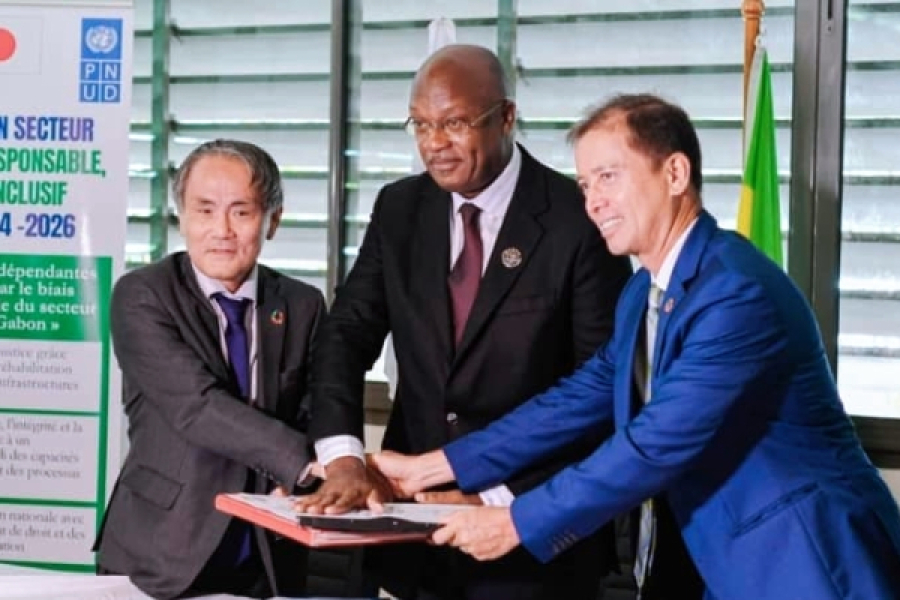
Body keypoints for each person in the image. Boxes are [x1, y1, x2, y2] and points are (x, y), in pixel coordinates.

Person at [370, 93, 900, 600]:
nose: (592, 201)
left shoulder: (736, 292)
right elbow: (578, 398)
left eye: (608, 177)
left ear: (675, 174)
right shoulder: (642, 292)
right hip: (719, 563)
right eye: (584, 184)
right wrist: (436, 466)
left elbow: (654, 444)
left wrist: (516, 523)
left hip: (809, 564)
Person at [298, 44, 632, 600]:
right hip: (410, 534)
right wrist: (343, 457)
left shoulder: (579, 218)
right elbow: (345, 334)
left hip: (531, 543)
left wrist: (493, 499)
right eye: (421, 124)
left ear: (507, 117)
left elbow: (602, 390)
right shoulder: (400, 209)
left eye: (454, 123)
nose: (434, 143)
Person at [94, 139, 325, 599]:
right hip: (161, 552)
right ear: (181, 216)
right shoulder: (142, 295)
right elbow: (196, 406)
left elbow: (317, 406)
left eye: (241, 212)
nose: (222, 230)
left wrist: (325, 470)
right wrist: (308, 465)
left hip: (267, 551)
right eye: (204, 211)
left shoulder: (302, 304)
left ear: (273, 220)